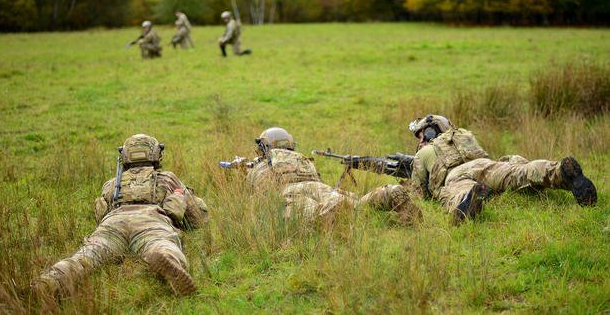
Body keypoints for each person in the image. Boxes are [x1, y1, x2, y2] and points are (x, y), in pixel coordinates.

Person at [32, 134, 209, 298]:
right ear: (156, 154)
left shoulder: (111, 184)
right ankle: (166, 259)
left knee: (86, 257)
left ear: (125, 156)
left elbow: (101, 215)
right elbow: (198, 219)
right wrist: (181, 196)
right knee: (162, 244)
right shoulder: (168, 178)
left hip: (113, 224)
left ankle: (50, 281)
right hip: (151, 221)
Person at [347, 114, 598, 224]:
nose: (418, 140)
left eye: (420, 134)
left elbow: (420, 194)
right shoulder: (464, 135)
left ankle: (468, 201)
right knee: (517, 172)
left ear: (429, 132)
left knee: (456, 193)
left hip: (456, 176)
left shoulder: (424, 153)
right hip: (486, 165)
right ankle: (559, 172)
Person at [236, 127, 421, 225]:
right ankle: (387, 194)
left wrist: (245, 172)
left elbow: (258, 196)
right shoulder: (303, 158)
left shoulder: (261, 165)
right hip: (321, 188)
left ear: (263, 147)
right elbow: (316, 179)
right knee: (359, 204)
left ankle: (333, 211)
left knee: (311, 216)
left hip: (291, 194)